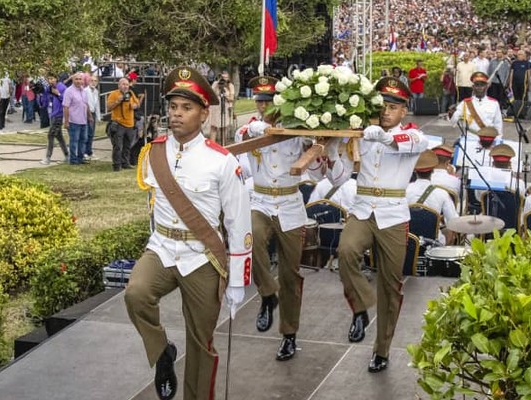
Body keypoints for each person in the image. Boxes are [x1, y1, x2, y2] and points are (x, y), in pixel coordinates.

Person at [125, 66, 252, 400]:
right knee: (136, 294)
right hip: (163, 248)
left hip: (202, 257)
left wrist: (237, 280)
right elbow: (154, 208)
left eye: (186, 108)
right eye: (173, 107)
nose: (177, 114)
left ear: (203, 112)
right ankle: (162, 354)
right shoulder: (153, 152)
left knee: (201, 342)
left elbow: (239, 223)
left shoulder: (222, 162)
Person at [237, 76, 348, 361]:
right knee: (252, 237)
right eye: (260, 101)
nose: (263, 107)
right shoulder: (250, 129)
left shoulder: (299, 133)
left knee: (291, 273)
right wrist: (258, 128)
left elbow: (321, 176)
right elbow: (243, 142)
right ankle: (266, 294)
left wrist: (323, 150)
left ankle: (289, 334)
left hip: (289, 203)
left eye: (269, 101)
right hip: (261, 200)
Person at [336, 76, 427, 373]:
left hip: (392, 213)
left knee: (391, 285)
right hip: (363, 209)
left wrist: (381, 136)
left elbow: (408, 142)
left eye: (392, 107)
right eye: (381, 106)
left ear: (404, 111)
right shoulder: (361, 133)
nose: (386, 112)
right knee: (346, 251)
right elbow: (340, 175)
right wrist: (330, 150)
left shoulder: (413, 135)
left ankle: (382, 348)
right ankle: (361, 307)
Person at [406, 150, 458, 244]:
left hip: (407, 241)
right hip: (433, 243)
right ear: (433, 170)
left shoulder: (405, 190)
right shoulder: (442, 193)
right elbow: (453, 221)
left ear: (415, 170)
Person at [449, 72, 503, 139]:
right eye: (477, 85)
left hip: (488, 139)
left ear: (486, 87)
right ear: (473, 87)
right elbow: (453, 122)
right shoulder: (465, 103)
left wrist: (498, 140)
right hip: (469, 138)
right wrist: (452, 114)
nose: (479, 87)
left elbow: (498, 124)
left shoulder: (494, 103)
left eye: (482, 85)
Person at [106, 78, 140, 171]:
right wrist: (117, 101)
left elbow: (138, 104)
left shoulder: (131, 93)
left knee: (127, 146)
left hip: (130, 124)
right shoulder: (114, 94)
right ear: (119, 85)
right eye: (123, 84)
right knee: (118, 146)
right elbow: (108, 108)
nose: (125, 86)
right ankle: (117, 165)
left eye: (127, 84)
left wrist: (135, 106)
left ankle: (125, 163)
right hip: (118, 123)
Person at [63, 72, 93, 165]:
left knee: (83, 139)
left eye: (80, 79)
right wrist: (66, 121)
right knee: (74, 141)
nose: (78, 81)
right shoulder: (69, 91)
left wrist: (89, 116)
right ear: (72, 80)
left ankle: (80, 158)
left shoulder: (83, 90)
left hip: (83, 120)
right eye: (76, 79)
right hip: (73, 120)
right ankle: (73, 159)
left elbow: (86, 104)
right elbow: (66, 107)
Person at [40, 74, 69, 165]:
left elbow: (66, 101)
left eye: (52, 78)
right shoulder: (48, 89)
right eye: (48, 79)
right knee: (59, 136)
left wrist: (58, 94)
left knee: (51, 135)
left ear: (56, 78)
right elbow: (43, 104)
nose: (50, 81)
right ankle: (67, 155)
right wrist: (41, 93)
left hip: (59, 115)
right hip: (52, 115)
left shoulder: (62, 87)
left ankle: (48, 157)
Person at [208, 71, 235, 142]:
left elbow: (231, 99)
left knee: (223, 127)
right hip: (216, 108)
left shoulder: (230, 85)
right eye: (223, 77)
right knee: (214, 127)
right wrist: (217, 85)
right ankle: (212, 146)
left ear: (228, 78)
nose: (224, 79)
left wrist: (225, 95)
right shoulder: (215, 84)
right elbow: (210, 93)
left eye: (226, 77)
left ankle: (223, 145)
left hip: (225, 108)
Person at [85, 74, 101, 161]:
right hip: (86, 113)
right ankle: (85, 151)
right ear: (88, 81)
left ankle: (89, 151)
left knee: (91, 134)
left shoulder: (96, 91)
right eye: (92, 81)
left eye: (95, 81)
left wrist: (98, 117)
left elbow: (97, 104)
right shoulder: (85, 91)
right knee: (86, 133)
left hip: (93, 113)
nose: (93, 83)